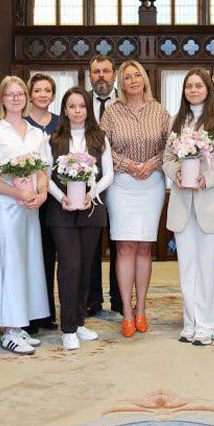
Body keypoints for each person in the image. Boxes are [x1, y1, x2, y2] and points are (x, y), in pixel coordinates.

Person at [164, 69, 214, 347]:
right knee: (187, 268)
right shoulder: (176, 121)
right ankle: (190, 323)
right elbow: (167, 159)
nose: (193, 90)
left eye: (198, 86)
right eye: (189, 86)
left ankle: (206, 325)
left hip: (210, 202)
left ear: (208, 89)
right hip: (182, 202)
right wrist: (176, 173)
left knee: (207, 267)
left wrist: (207, 178)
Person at [100, 60, 170, 337]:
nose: (132, 81)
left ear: (144, 80)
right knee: (125, 246)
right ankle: (127, 312)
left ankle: (141, 308)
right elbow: (103, 148)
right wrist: (128, 165)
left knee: (144, 246)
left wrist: (152, 164)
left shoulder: (159, 111)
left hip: (152, 184)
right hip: (121, 184)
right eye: (127, 77)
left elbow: (170, 145)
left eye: (136, 76)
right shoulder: (111, 112)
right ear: (121, 83)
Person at [0, 76, 52, 354]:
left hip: (30, 207)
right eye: (10, 94)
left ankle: (21, 324)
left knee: (28, 264)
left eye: (20, 93)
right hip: (6, 206)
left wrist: (42, 193)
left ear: (26, 98)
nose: (15, 98)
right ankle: (8, 331)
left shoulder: (36, 133)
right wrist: (18, 193)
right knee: (9, 264)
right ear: (2, 99)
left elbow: (43, 171)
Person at [44, 87, 115, 350]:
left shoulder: (99, 138)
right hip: (60, 210)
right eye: (72, 106)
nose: (77, 111)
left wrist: (91, 194)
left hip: (91, 208)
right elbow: (45, 175)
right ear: (65, 109)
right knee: (69, 266)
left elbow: (109, 174)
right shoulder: (53, 139)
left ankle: (80, 321)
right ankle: (68, 328)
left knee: (86, 266)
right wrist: (60, 196)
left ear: (88, 109)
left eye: (82, 106)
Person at [86, 56, 123, 319]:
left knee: (119, 241)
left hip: (121, 182)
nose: (101, 76)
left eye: (106, 71)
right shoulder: (80, 102)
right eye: (96, 71)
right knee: (90, 243)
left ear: (114, 75)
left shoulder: (125, 101)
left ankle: (119, 299)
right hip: (85, 183)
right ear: (90, 76)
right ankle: (92, 300)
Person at [25, 72, 60, 332]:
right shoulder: (22, 122)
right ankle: (28, 314)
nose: (42, 95)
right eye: (37, 90)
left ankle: (46, 312)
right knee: (30, 254)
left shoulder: (61, 122)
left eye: (47, 90)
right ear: (30, 94)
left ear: (53, 95)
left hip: (55, 197)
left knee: (49, 255)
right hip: (27, 196)